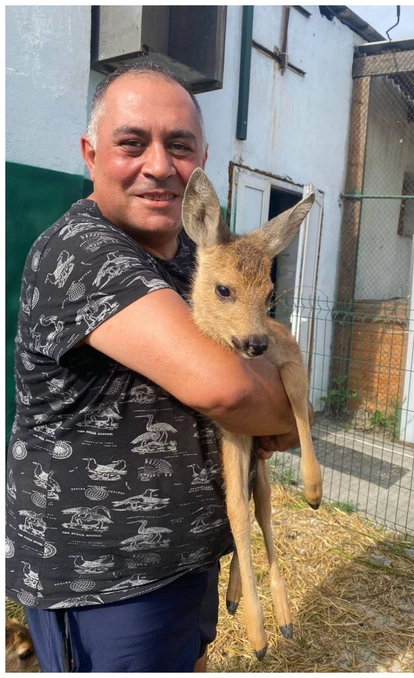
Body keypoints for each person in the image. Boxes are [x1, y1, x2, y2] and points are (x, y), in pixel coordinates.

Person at [6, 62, 300, 672]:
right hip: (106, 582)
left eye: (180, 146)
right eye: (132, 143)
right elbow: (227, 387)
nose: (160, 165)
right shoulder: (83, 251)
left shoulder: (202, 256)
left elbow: (263, 348)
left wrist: (273, 393)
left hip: (185, 561)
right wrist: (290, 410)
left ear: (202, 162)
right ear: (91, 154)